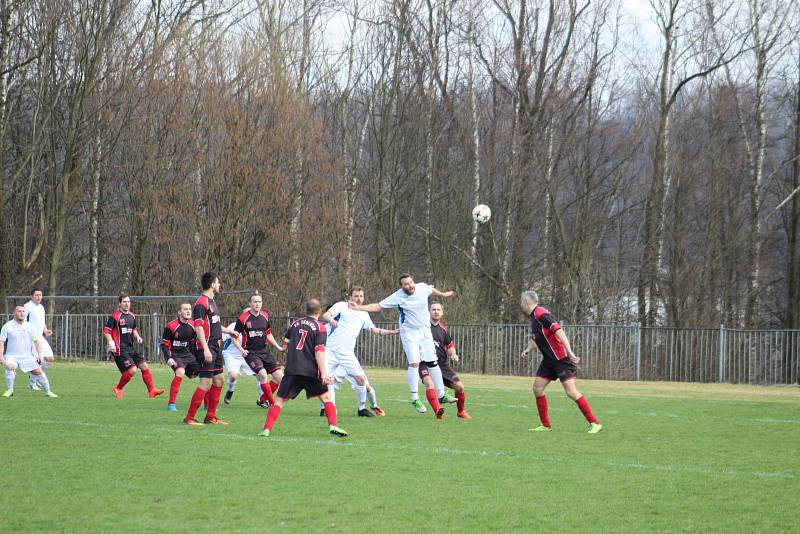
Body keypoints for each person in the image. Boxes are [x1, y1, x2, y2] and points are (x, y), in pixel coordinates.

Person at [350, 274, 454, 418]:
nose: (410, 285)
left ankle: (442, 394)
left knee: (433, 362)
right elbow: (378, 306)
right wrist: (359, 308)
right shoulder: (398, 296)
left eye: (411, 282)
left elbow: (431, 290)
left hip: (424, 330)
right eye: (406, 284)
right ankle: (415, 399)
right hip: (409, 332)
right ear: (402, 286)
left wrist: (443, 294)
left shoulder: (422, 287)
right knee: (415, 364)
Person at [259, 299, 348, 438]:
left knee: (279, 401)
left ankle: (266, 429)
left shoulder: (294, 324)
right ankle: (333, 425)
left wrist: (282, 347)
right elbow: (319, 351)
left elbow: (285, 344)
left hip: (292, 370)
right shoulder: (320, 328)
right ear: (319, 311)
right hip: (310, 371)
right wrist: (324, 373)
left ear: (305, 311)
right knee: (326, 398)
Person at [519, 290, 602, 433]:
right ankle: (545, 425)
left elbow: (559, 331)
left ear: (526, 302)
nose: (520, 304)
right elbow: (537, 338)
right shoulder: (534, 317)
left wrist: (569, 352)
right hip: (549, 361)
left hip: (561, 359)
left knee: (571, 392)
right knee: (537, 389)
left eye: (521, 301)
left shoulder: (541, 314)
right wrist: (528, 349)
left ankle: (594, 423)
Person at [319, 286, 395, 417]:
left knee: (361, 379)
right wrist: (331, 319)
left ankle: (361, 409)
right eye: (356, 296)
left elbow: (374, 329)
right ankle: (331, 410)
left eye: (361, 296)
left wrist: (391, 332)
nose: (359, 299)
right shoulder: (341, 306)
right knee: (327, 380)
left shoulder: (364, 314)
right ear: (350, 297)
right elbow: (326, 314)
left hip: (347, 353)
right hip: (330, 351)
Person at [183, 272, 239, 426]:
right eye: (218, 282)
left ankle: (210, 417)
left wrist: (228, 331)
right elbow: (198, 327)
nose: (219, 285)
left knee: (219, 379)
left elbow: (213, 325)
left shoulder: (211, 302)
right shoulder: (201, 303)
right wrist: (206, 349)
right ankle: (189, 418)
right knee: (205, 383)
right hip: (205, 347)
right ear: (212, 284)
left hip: (215, 346)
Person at [104, 294, 164, 399]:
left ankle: (152, 391)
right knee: (133, 370)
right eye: (124, 302)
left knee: (144, 366)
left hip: (130, 348)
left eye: (128, 302)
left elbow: (134, 329)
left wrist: (137, 336)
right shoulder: (115, 317)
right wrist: (111, 343)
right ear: (119, 304)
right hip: (120, 349)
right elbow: (106, 331)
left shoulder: (132, 316)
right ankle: (118, 388)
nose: (127, 304)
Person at [233, 293, 286, 409]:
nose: (257, 304)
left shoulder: (265, 316)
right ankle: (273, 404)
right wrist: (241, 350)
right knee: (262, 374)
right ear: (250, 304)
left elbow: (268, 334)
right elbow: (234, 338)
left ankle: (262, 400)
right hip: (251, 353)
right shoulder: (243, 319)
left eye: (259, 302)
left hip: (265, 352)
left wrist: (278, 347)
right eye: (255, 302)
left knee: (281, 378)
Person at [419, 302, 471, 419]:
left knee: (459, 387)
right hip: (424, 363)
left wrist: (453, 354)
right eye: (433, 309)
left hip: (441, 365)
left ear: (442, 313)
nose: (436, 311)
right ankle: (438, 411)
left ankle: (461, 412)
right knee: (428, 382)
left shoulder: (443, 329)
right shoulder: (423, 327)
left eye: (438, 310)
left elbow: (450, 345)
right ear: (429, 312)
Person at [0, 305, 57, 398]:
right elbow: (1, 342)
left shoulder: (30, 326)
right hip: (11, 356)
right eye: (19, 311)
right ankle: (10, 390)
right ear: (14, 313)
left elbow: (36, 341)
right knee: (10, 366)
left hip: (27, 356)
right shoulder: (7, 326)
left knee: (38, 371)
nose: (22, 313)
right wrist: (1, 356)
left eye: (23, 311)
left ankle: (48, 391)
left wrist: (40, 354)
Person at [161, 302, 199, 411]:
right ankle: (171, 404)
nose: (188, 311)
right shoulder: (171, 326)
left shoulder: (193, 326)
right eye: (185, 309)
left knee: (205, 372)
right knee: (180, 372)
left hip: (187, 354)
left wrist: (197, 358)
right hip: (174, 354)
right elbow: (164, 344)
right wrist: (168, 358)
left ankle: (206, 406)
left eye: (189, 309)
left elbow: (192, 344)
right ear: (179, 312)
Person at [222, 319, 260, 405]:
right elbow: (223, 337)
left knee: (260, 374)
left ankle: (263, 399)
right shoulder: (233, 326)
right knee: (233, 376)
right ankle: (230, 391)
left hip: (246, 355)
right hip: (232, 355)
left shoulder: (256, 328)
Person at [24, 287, 54, 390]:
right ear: (31, 296)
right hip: (32, 338)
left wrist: (45, 330)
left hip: (40, 337)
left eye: (40, 295)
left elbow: (41, 321)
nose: (38, 297)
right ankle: (32, 383)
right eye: (36, 295)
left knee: (49, 358)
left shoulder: (41, 307)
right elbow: (22, 322)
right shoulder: (27, 307)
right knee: (38, 360)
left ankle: (35, 377)